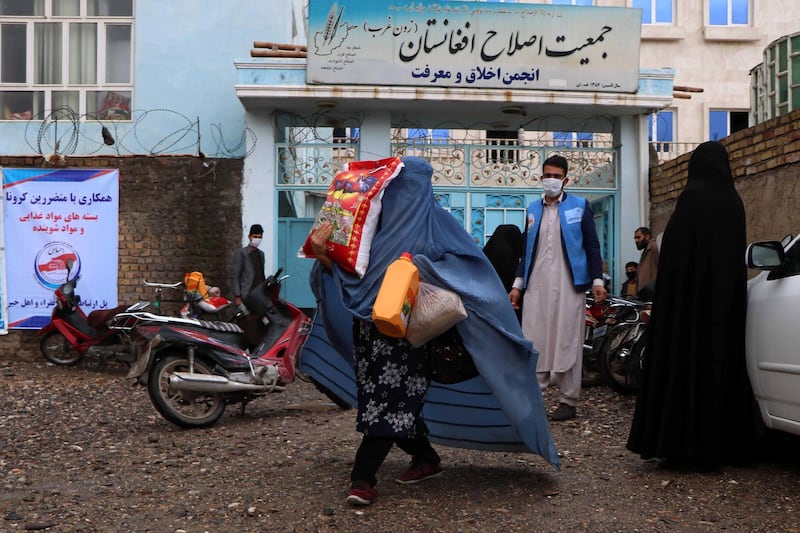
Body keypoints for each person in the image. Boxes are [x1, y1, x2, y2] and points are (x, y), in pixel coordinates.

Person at [309, 156, 558, 506]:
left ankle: (362, 479)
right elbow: (352, 280)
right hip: (368, 331)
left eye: (415, 189)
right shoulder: (369, 229)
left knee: (388, 403)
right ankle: (426, 458)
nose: (408, 197)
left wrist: (422, 271)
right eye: (401, 188)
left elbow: (470, 271)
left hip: (412, 335)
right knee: (389, 402)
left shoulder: (439, 225)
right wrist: (324, 254)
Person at [627, 141, 756, 470]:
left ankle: (682, 446)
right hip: (723, 309)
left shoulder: (692, 198)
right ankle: (722, 446)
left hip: (687, 311)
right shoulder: (733, 201)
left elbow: (674, 261)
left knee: (685, 370)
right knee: (720, 365)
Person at [509, 154, 607, 422]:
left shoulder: (580, 205)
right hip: (536, 285)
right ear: (541, 177)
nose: (550, 180)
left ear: (565, 179)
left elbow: (592, 245)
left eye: (555, 176)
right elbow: (526, 252)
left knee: (567, 340)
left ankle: (568, 400)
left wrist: (597, 280)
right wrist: (517, 286)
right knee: (534, 337)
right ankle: (533, 398)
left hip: (569, 284)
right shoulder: (532, 209)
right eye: (546, 175)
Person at [231, 223, 266, 309]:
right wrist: (237, 296)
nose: (257, 239)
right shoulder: (241, 253)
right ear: (249, 237)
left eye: (259, 237)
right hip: (246, 294)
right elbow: (236, 276)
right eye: (255, 237)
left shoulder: (261, 254)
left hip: (259, 294)